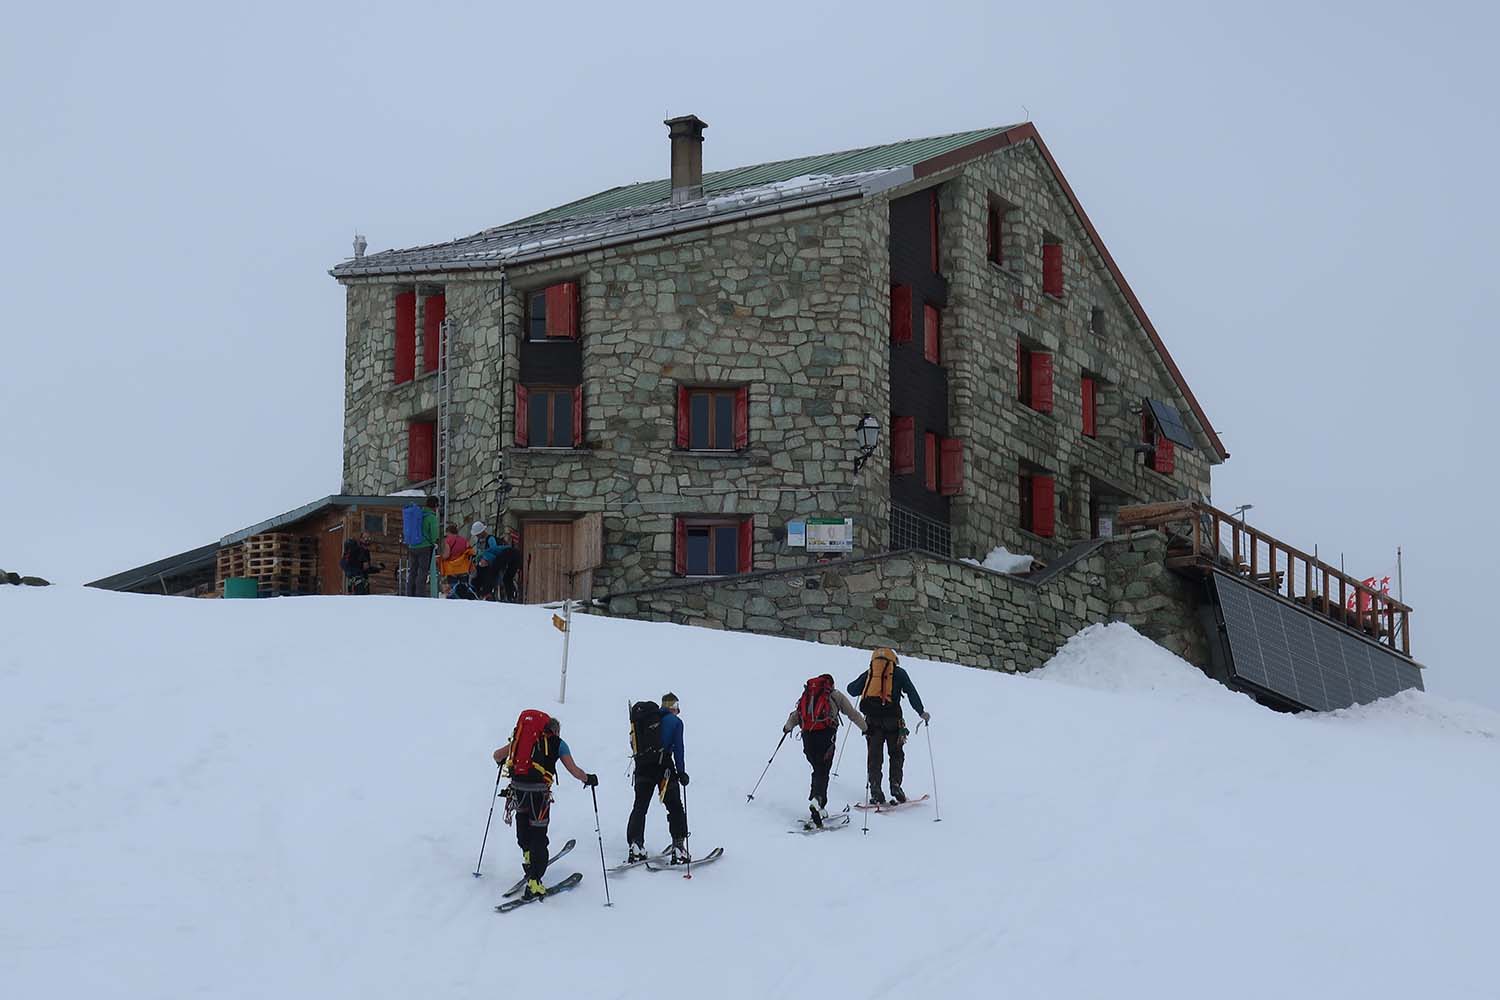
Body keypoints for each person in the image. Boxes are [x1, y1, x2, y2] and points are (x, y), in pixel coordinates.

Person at [491, 712, 597, 900]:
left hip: (518, 790)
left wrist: (504, 759)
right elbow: (574, 770)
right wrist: (588, 778)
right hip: (539, 795)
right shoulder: (558, 743)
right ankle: (534, 883)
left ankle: (528, 859)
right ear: (555, 730)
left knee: (523, 825)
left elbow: (497, 755)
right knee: (539, 834)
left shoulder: (522, 740)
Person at [846, 648, 929, 805]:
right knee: (896, 754)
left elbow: (851, 690)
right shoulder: (899, 673)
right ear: (894, 660)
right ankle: (895, 784)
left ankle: (875, 789)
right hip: (893, 721)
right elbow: (911, 692)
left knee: (874, 756)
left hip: (872, 722)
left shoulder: (870, 673)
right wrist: (921, 712)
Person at [783, 673, 865, 824]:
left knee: (817, 769)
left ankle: (817, 801)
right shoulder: (834, 695)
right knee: (823, 770)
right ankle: (818, 800)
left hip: (807, 737)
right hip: (826, 737)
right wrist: (865, 728)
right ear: (831, 684)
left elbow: (796, 714)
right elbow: (852, 714)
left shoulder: (808, 695)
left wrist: (787, 727)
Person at [625, 693, 688, 864]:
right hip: (663, 768)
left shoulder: (643, 720)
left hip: (643, 767)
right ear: (674, 707)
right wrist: (681, 772)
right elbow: (678, 749)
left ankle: (635, 845)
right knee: (674, 806)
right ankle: (679, 847)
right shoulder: (675, 722)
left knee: (640, 806)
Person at [403, 497, 440, 597]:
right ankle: (420, 594)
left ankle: (410, 593)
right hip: (424, 547)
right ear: (435, 506)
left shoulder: (418, 513)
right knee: (422, 571)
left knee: (412, 570)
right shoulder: (431, 517)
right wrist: (434, 542)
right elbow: (434, 534)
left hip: (412, 546)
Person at [436, 523, 472, 597]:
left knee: (453, 588)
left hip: (452, 569)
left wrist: (440, 558)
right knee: (463, 588)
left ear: (448, 532)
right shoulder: (464, 540)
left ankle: (454, 600)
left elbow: (446, 555)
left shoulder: (448, 541)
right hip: (464, 568)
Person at [471, 521, 502, 600]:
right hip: (481, 566)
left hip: (490, 566)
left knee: (487, 579)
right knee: (474, 579)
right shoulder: (479, 541)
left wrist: (486, 559)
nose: (477, 536)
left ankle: (487, 594)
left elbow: (494, 551)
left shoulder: (490, 539)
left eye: (478, 534)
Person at [496, 529, 522, 602]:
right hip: (509, 562)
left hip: (510, 562)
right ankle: (509, 595)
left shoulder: (509, 547)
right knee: (506, 578)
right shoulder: (506, 547)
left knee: (506, 578)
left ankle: (509, 595)